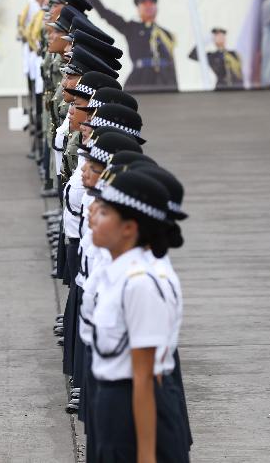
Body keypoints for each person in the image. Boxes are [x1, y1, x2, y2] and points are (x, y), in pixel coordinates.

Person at [86, 170, 189, 462]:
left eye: (104, 212)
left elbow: (145, 376)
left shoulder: (141, 283)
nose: (94, 215)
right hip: (112, 405)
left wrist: (146, 455)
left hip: (135, 407)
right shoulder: (117, 275)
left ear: (129, 229)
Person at [86, 0, 178, 92]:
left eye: (151, 3)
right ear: (138, 8)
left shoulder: (166, 34)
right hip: (140, 78)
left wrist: (175, 84)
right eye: (144, 4)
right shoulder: (131, 28)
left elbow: (171, 62)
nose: (148, 7)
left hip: (164, 80)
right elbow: (105, 13)